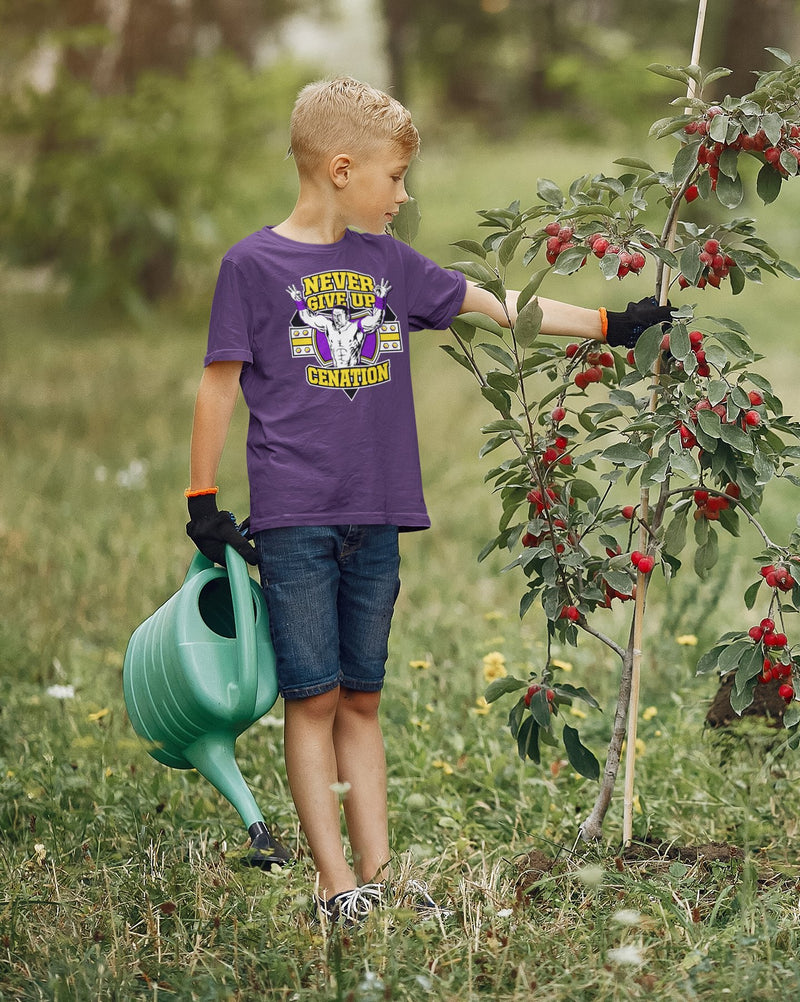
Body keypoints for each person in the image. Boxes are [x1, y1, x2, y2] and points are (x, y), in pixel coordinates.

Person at [184, 76, 671, 924]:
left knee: (363, 695)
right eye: (396, 178)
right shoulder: (252, 267)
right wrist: (202, 498)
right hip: (295, 518)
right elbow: (218, 385)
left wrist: (607, 325)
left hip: (377, 515)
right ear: (342, 169)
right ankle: (333, 886)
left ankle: (378, 878)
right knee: (314, 698)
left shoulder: (389, 262)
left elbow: (496, 307)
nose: (405, 196)